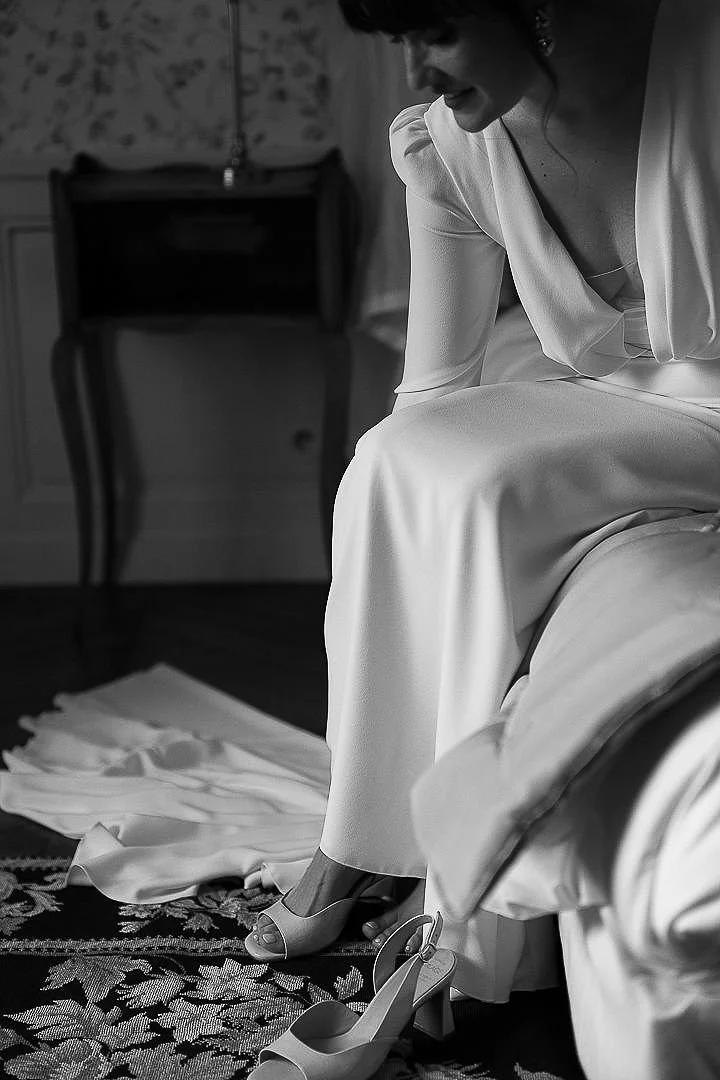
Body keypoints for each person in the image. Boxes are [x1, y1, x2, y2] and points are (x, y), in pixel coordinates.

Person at [246, 0, 720, 1006]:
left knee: (485, 483)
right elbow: (434, 388)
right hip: (615, 403)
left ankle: (459, 900)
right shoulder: (448, 148)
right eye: (400, 42)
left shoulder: (703, 61)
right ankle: (357, 837)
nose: (417, 70)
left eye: (435, 32)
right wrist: (404, 488)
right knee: (393, 460)